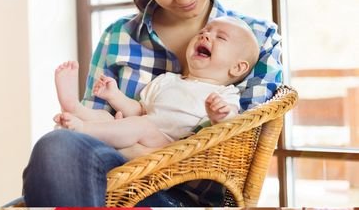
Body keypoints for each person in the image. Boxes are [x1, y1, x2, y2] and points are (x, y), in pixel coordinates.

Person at [23, 0, 282, 207]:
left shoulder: (258, 38)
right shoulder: (119, 37)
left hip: (188, 197)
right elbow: (87, 139)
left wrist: (152, 153)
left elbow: (244, 146)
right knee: (55, 146)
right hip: (115, 184)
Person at [55, 16, 259, 158]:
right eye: (204, 32)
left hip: (170, 146)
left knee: (139, 125)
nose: (205, 36)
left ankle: (83, 130)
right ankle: (74, 107)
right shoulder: (167, 80)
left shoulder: (225, 94)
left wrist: (220, 115)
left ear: (237, 67)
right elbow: (139, 109)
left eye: (220, 37)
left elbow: (232, 123)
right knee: (108, 117)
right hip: (142, 133)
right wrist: (114, 96)